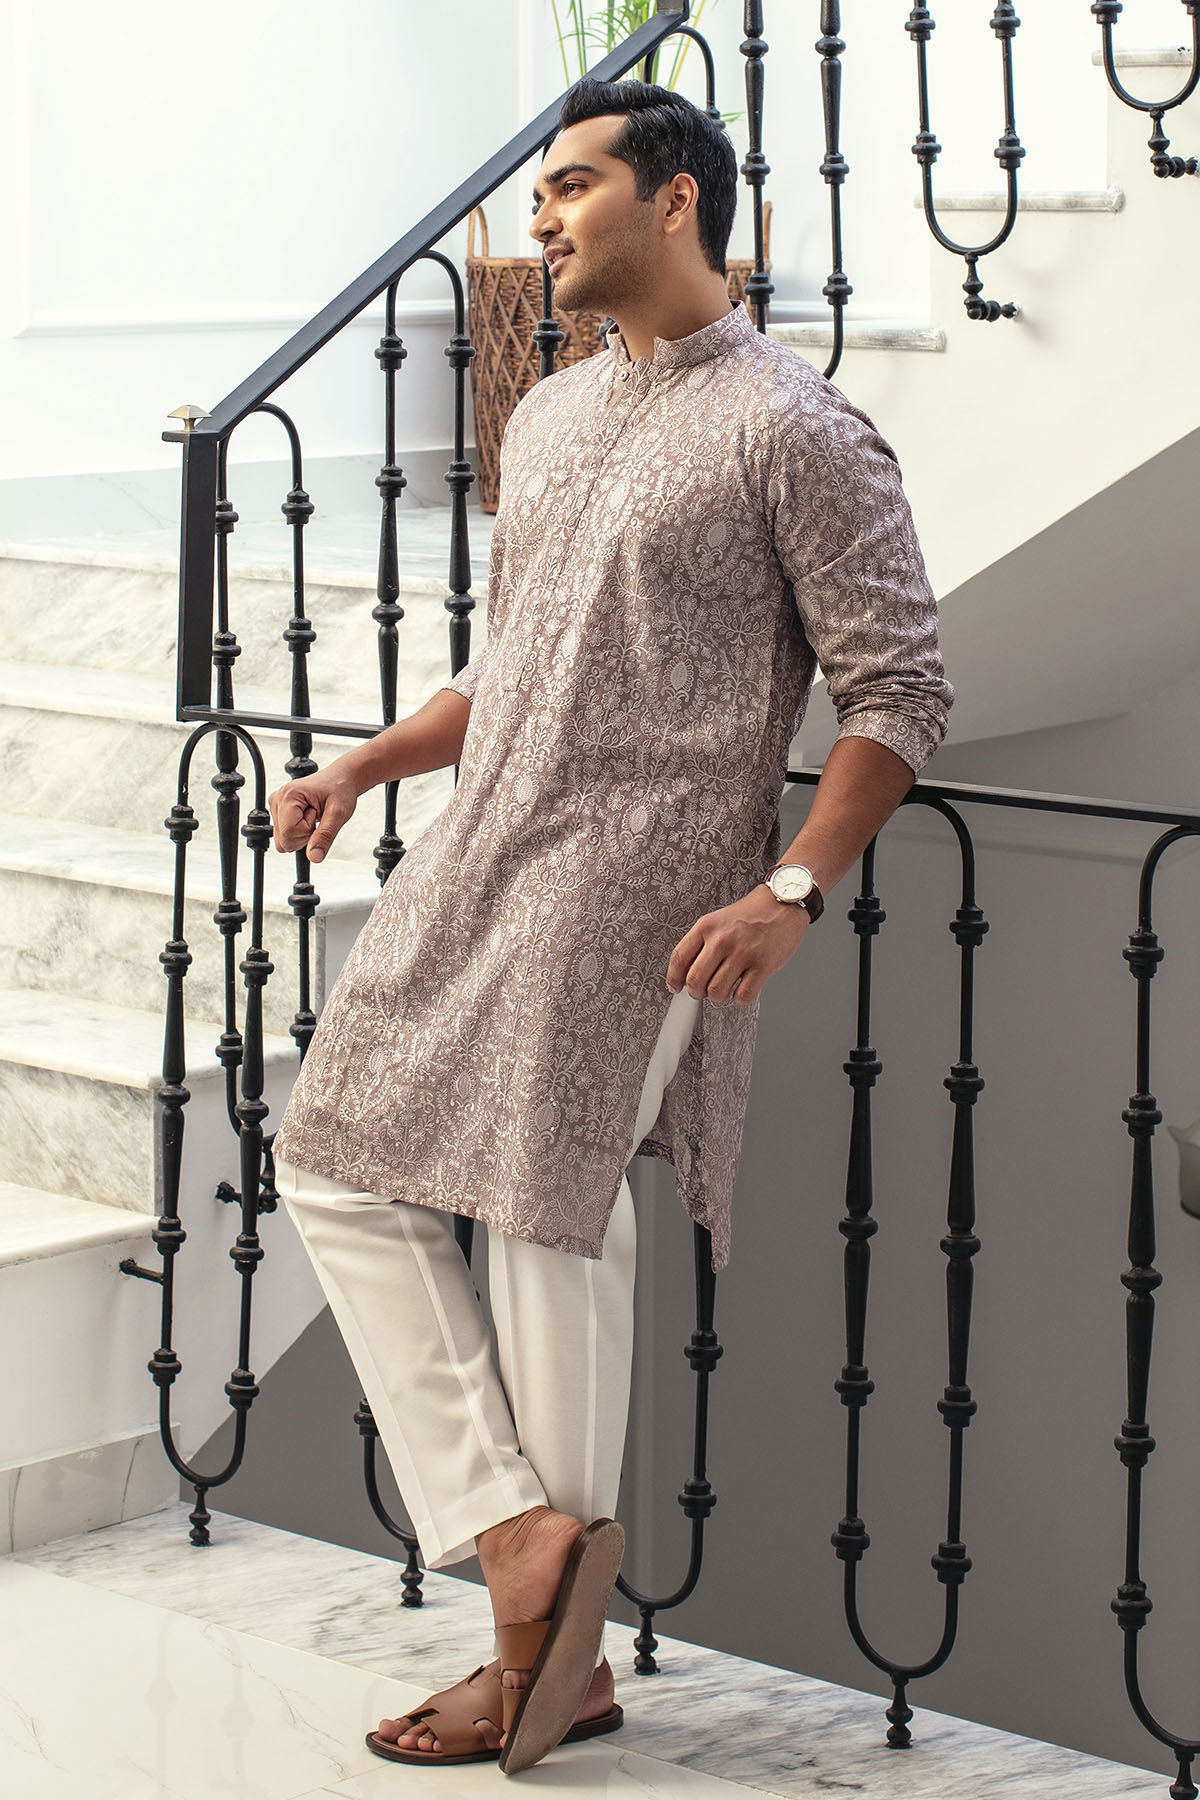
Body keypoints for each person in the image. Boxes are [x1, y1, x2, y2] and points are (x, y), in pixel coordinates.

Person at [267, 76, 953, 1775]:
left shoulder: (799, 429)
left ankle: (543, 1666)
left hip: (640, 883)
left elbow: (899, 692)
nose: (544, 221)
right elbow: (515, 665)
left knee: (551, 1218)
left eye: (572, 187)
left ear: (677, 199)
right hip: (482, 849)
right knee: (329, 1150)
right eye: (543, 196)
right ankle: (518, 1534)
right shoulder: (555, 412)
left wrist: (792, 887)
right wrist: (367, 763)